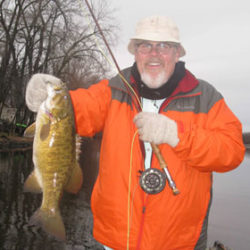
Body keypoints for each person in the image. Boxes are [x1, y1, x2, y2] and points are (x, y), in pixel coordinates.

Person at [27, 16, 245, 250]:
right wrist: (45, 94)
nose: (154, 53)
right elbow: (75, 110)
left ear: (177, 53)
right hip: (116, 239)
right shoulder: (114, 89)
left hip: (180, 242)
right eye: (145, 46)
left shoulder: (205, 97)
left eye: (163, 46)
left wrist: (178, 135)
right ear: (135, 53)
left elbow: (231, 151)